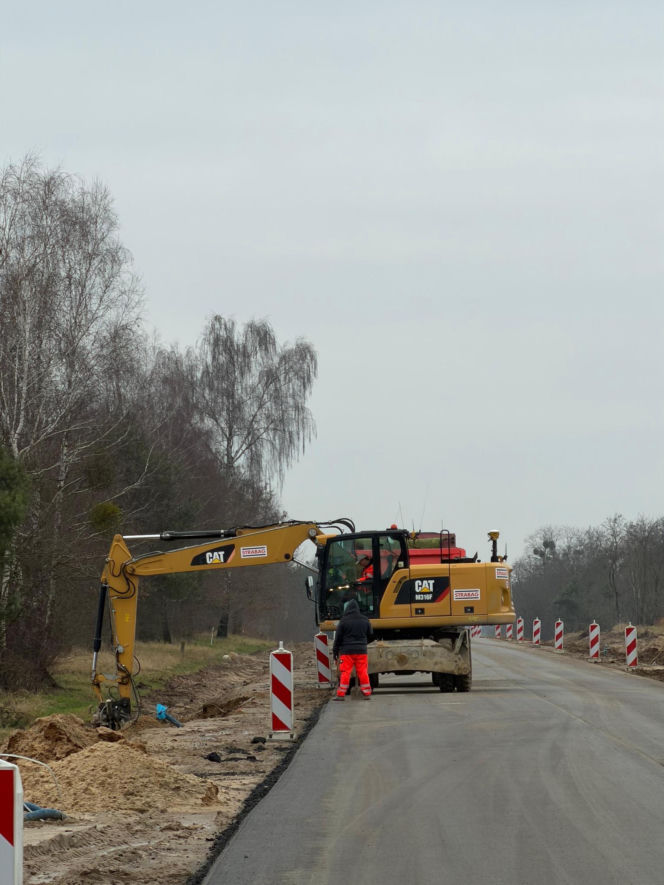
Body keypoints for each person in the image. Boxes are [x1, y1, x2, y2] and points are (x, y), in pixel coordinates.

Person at [332, 598, 374, 700]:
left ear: (347, 609)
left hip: (346, 652)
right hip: (361, 651)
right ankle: (366, 693)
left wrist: (335, 652)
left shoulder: (343, 621)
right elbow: (371, 635)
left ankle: (341, 695)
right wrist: (363, 644)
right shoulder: (365, 620)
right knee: (363, 672)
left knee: (345, 672)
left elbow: (338, 639)